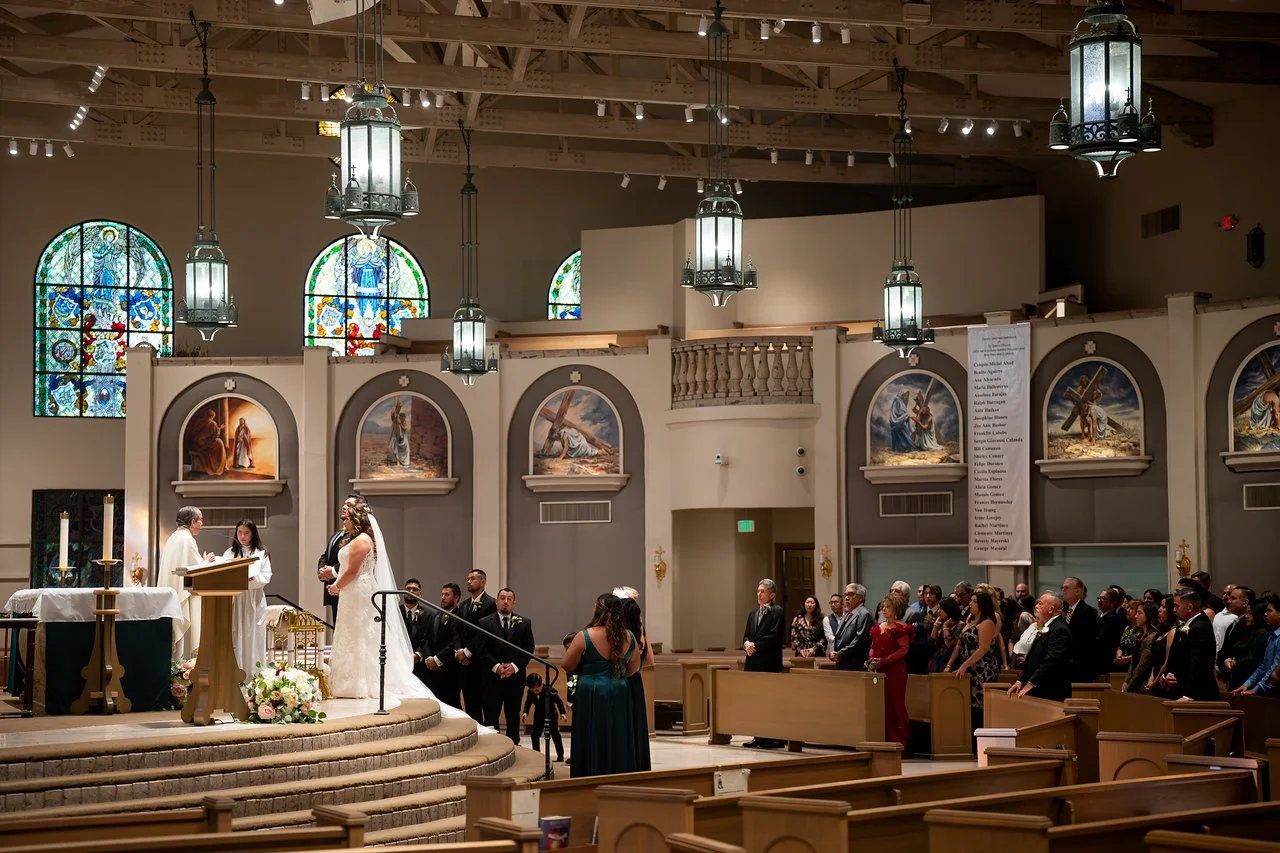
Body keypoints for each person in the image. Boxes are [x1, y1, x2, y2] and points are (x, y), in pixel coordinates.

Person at [324, 502, 471, 719]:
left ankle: (361, 684)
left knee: (360, 635)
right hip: (352, 592)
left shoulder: (362, 541)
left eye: (347, 518)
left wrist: (336, 585)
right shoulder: (357, 540)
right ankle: (349, 682)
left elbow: (353, 571)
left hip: (357, 591)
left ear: (357, 519)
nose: (344, 521)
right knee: (351, 634)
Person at [562, 595, 641, 777]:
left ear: (598, 609)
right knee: (618, 734)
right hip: (619, 690)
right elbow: (633, 669)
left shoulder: (585, 636)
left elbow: (567, 665)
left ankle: (589, 774)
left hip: (591, 692)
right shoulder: (629, 636)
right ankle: (619, 774)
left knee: (592, 735)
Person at [476, 587, 535, 743]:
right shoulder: (484, 623)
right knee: (490, 714)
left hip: (515, 678)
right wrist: (497, 667)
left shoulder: (524, 623)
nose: (505, 602)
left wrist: (513, 667)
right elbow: (481, 649)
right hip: (491, 677)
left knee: (513, 714)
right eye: (502, 598)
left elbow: (528, 648)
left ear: (514, 603)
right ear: (496, 602)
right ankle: (492, 745)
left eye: (509, 599)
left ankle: (513, 744)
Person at [158, 506, 215, 660]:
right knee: (183, 645)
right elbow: (195, 569)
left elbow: (186, 565)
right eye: (200, 520)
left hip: (172, 595)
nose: (202, 524)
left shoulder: (173, 537)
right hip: (183, 595)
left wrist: (201, 561)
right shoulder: (188, 539)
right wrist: (207, 561)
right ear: (192, 521)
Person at [947, 586, 1003, 732]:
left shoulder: (987, 623)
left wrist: (964, 665)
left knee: (979, 704)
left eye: (974, 601)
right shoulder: (969, 621)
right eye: (970, 601)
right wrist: (950, 664)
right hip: (969, 665)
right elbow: (959, 645)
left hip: (982, 668)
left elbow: (983, 649)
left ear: (982, 605)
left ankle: (980, 740)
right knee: (969, 704)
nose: (970, 604)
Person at [223, 519, 272, 679]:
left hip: (253, 599)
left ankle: (254, 675)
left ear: (253, 534)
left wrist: (252, 578)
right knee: (236, 634)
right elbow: (223, 572)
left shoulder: (261, 552)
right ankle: (235, 675)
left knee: (254, 635)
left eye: (246, 533)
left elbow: (266, 576)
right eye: (240, 533)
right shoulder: (230, 553)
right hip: (236, 598)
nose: (242, 536)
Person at [742, 579, 785, 748]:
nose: (759, 594)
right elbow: (746, 634)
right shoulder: (753, 613)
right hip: (753, 662)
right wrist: (747, 644)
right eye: (758, 591)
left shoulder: (777, 612)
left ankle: (774, 737)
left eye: (763, 591)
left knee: (770, 702)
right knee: (756, 702)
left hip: (769, 662)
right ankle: (758, 735)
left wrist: (756, 645)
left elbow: (775, 636)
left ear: (772, 595)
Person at [1009, 593, 1072, 701]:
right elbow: (1034, 658)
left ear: (1051, 609)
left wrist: (1031, 683)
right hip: (1042, 688)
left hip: (1051, 690)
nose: (1037, 606)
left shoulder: (1059, 629)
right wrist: (1020, 681)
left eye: (1041, 604)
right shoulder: (1048, 626)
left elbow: (1052, 660)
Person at [1160, 588, 1219, 702]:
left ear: (1190, 607)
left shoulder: (1200, 627)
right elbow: (1178, 655)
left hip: (1198, 695)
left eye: (1177, 606)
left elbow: (1199, 664)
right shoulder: (1188, 624)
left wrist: (1189, 696)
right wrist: (1171, 673)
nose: (1173, 610)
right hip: (1181, 687)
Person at [869, 595, 912, 746]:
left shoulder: (901, 628)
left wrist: (884, 661)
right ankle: (884, 738)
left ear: (896, 610)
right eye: (883, 607)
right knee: (883, 704)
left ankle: (900, 740)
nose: (884, 610)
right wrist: (873, 659)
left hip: (895, 671)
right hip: (880, 671)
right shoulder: (878, 628)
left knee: (896, 704)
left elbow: (903, 649)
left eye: (887, 607)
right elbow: (873, 647)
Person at [455, 568, 497, 722]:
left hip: (481, 661)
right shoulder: (464, 605)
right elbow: (457, 630)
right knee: (470, 703)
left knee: (486, 702)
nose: (468, 581)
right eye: (468, 579)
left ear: (483, 581)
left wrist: (468, 651)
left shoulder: (491, 604)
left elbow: (484, 633)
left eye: (472, 578)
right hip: (465, 663)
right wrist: (459, 651)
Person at [619, 596, 654, 771]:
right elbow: (650, 661)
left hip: (621, 681)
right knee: (637, 724)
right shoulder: (641, 633)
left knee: (624, 724)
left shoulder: (620, 635)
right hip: (636, 681)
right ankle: (640, 764)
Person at [317, 495, 359, 622]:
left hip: (347, 585)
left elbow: (354, 560)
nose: (344, 507)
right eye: (344, 504)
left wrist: (333, 571)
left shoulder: (358, 535)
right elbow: (326, 555)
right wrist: (322, 571)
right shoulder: (339, 532)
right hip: (334, 586)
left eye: (349, 505)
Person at [420, 582, 462, 707]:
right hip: (431, 670)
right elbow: (425, 639)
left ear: (456, 598)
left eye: (447, 595)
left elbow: (454, 642)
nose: (443, 597)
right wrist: (428, 658)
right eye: (442, 594)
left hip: (449, 670)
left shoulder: (459, 617)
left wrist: (437, 659)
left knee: (451, 705)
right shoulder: (435, 615)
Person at [1232, 594, 1280, 696]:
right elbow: (1264, 665)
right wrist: (1247, 684)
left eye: (1270, 611)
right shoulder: (1272, 636)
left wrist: (1257, 688)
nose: (1265, 614)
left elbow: (1274, 668)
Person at [1219, 598, 1268, 692]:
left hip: (1249, 680)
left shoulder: (1263, 635)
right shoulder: (1246, 631)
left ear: (1258, 615)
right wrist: (1228, 659)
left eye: (1250, 613)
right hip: (1237, 677)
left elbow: (1253, 658)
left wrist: (1235, 662)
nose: (1246, 616)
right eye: (1246, 613)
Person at [1060, 576, 1099, 682]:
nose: (1063, 590)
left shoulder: (1087, 611)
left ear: (1077, 591)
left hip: (1080, 664)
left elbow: (1087, 640)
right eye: (1062, 587)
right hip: (1065, 663)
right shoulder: (1065, 610)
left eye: (1067, 588)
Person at [522, 672, 567, 763]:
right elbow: (528, 702)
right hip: (538, 714)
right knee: (534, 734)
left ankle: (560, 755)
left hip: (551, 714)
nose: (535, 692)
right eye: (533, 690)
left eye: (537, 690)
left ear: (542, 684)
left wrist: (562, 713)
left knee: (555, 734)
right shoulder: (530, 692)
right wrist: (525, 712)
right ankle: (537, 754)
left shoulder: (549, 690)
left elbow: (559, 701)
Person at [830, 583, 872, 672]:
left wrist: (841, 654)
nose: (846, 598)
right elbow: (837, 636)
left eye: (850, 594)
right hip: (842, 662)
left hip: (855, 664)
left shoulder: (864, 614)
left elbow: (859, 640)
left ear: (861, 597)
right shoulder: (847, 613)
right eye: (845, 594)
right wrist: (832, 651)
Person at [1122, 603, 1159, 693]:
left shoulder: (1152, 637)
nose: (1135, 616)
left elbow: (1142, 665)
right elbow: (1133, 662)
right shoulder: (1140, 635)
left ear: (1148, 615)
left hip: (1143, 683)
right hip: (1135, 682)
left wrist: (1129, 684)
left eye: (1139, 613)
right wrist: (1126, 681)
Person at [402, 578, 432, 686]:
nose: (411, 592)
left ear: (420, 593)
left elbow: (428, 637)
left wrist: (418, 655)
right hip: (399, 662)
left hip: (420, 664)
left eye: (414, 589)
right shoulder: (395, 612)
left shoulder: (429, 615)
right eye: (408, 589)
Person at [1094, 587, 1128, 677]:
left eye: (1104, 599)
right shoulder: (1099, 617)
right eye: (1099, 598)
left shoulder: (1112, 618)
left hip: (1105, 663)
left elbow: (1101, 640)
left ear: (1113, 602)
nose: (1100, 601)